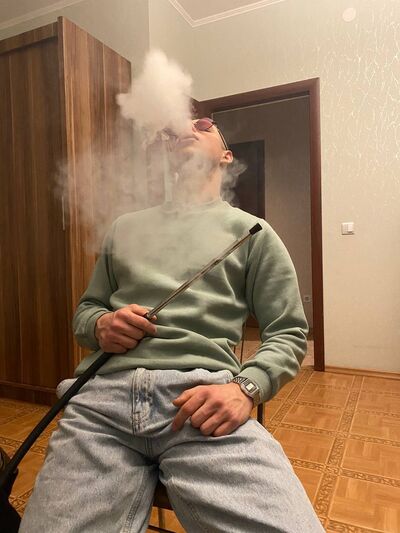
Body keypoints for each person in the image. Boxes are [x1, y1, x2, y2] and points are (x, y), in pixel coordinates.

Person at [20, 117, 324, 532]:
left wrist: (246, 388)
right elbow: (86, 312)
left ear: (226, 156)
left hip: (203, 404)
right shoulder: (124, 227)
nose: (188, 127)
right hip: (102, 406)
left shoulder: (252, 232)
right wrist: (102, 324)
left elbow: (288, 331)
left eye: (203, 124)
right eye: (177, 127)